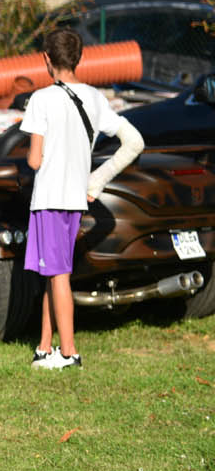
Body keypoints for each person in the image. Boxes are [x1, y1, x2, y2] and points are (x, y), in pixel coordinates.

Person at [20, 28, 144, 369]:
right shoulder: (94, 97)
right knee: (53, 270)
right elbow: (134, 142)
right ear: (79, 58)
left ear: (46, 59)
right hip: (74, 199)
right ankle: (44, 348)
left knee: (57, 274)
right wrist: (99, 178)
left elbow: (34, 160)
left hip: (48, 198)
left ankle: (69, 352)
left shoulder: (41, 100)